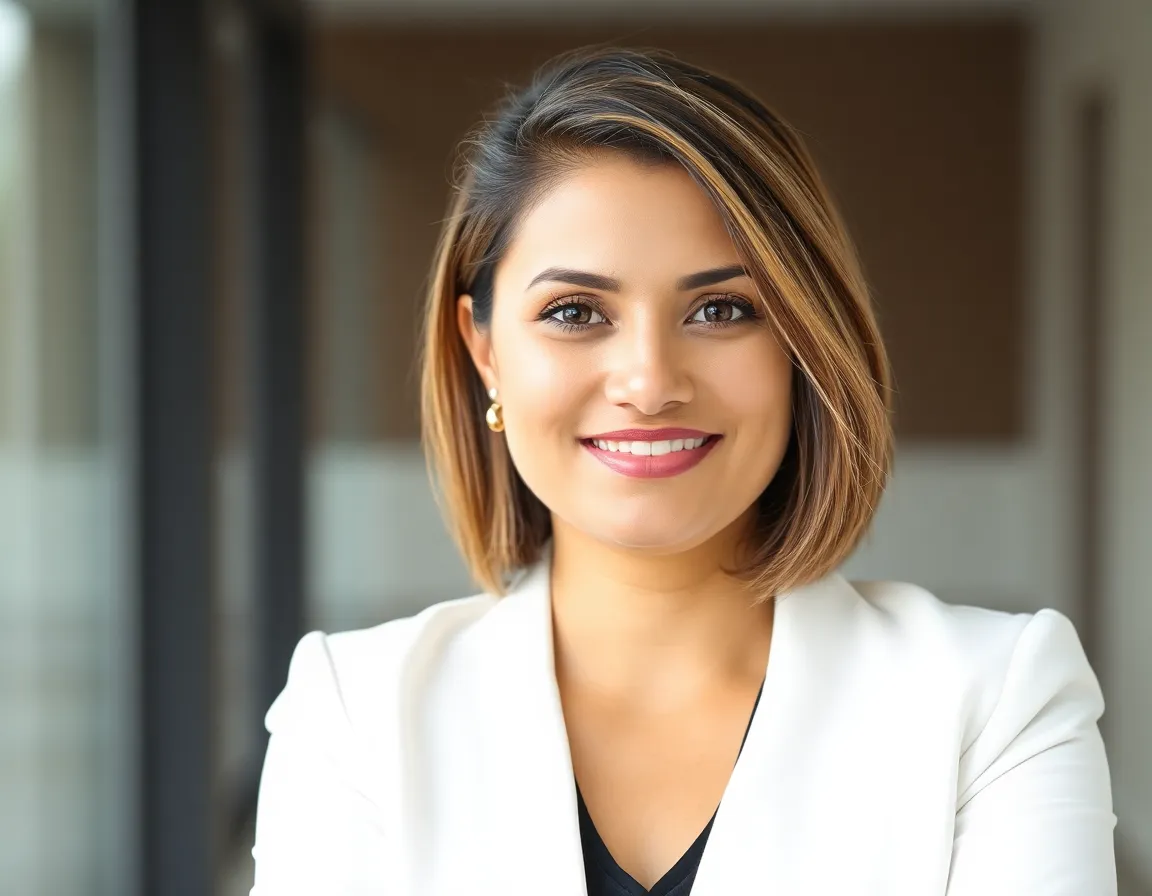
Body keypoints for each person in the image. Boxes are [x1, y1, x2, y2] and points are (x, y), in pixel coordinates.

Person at [249, 47, 1117, 895]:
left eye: (721, 309)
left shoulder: (996, 700)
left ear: (804, 345)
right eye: (576, 312)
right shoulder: (355, 713)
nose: (650, 382)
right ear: (484, 352)